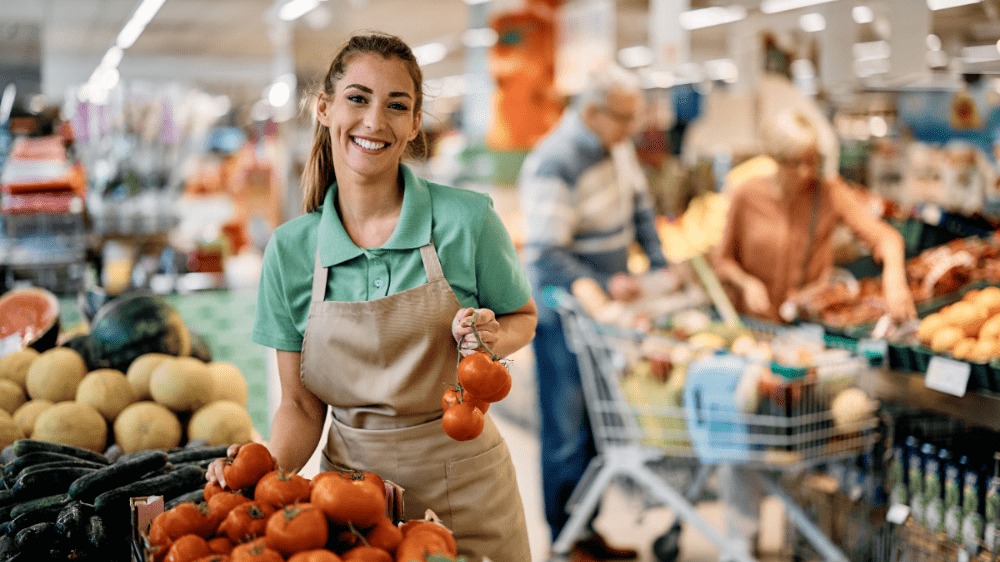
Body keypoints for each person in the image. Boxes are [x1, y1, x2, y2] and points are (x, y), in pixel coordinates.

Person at [206, 32, 537, 562]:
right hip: (350, 502)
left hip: (470, 490)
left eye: (396, 106)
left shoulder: (467, 221)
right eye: (358, 98)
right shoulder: (291, 251)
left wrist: (492, 338)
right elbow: (298, 405)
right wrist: (263, 472)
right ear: (325, 108)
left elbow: (522, 315)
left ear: (413, 123)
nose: (374, 121)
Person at [517, 63, 669, 551]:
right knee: (566, 429)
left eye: (634, 118)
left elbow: (640, 210)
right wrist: (603, 282)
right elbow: (547, 251)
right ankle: (566, 537)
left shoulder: (616, 148)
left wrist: (660, 266)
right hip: (564, 313)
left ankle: (589, 530)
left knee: (596, 432)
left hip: (603, 314)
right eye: (623, 119)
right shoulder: (553, 161)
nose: (632, 130)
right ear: (591, 112)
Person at [711, 107, 916, 323]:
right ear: (774, 157)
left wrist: (895, 280)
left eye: (812, 161)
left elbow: (886, 238)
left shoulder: (829, 192)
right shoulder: (747, 194)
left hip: (809, 325)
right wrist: (747, 284)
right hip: (756, 326)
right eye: (796, 162)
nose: (806, 171)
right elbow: (722, 262)